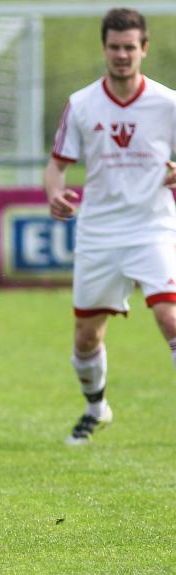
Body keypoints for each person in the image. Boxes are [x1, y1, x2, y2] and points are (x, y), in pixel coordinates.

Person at [44, 7, 176, 445]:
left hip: (153, 226)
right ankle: (96, 406)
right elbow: (57, 164)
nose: (122, 55)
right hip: (99, 232)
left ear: (144, 49)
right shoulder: (82, 104)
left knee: (169, 316)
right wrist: (54, 193)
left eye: (130, 47)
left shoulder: (168, 102)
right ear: (104, 49)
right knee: (86, 337)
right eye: (115, 47)